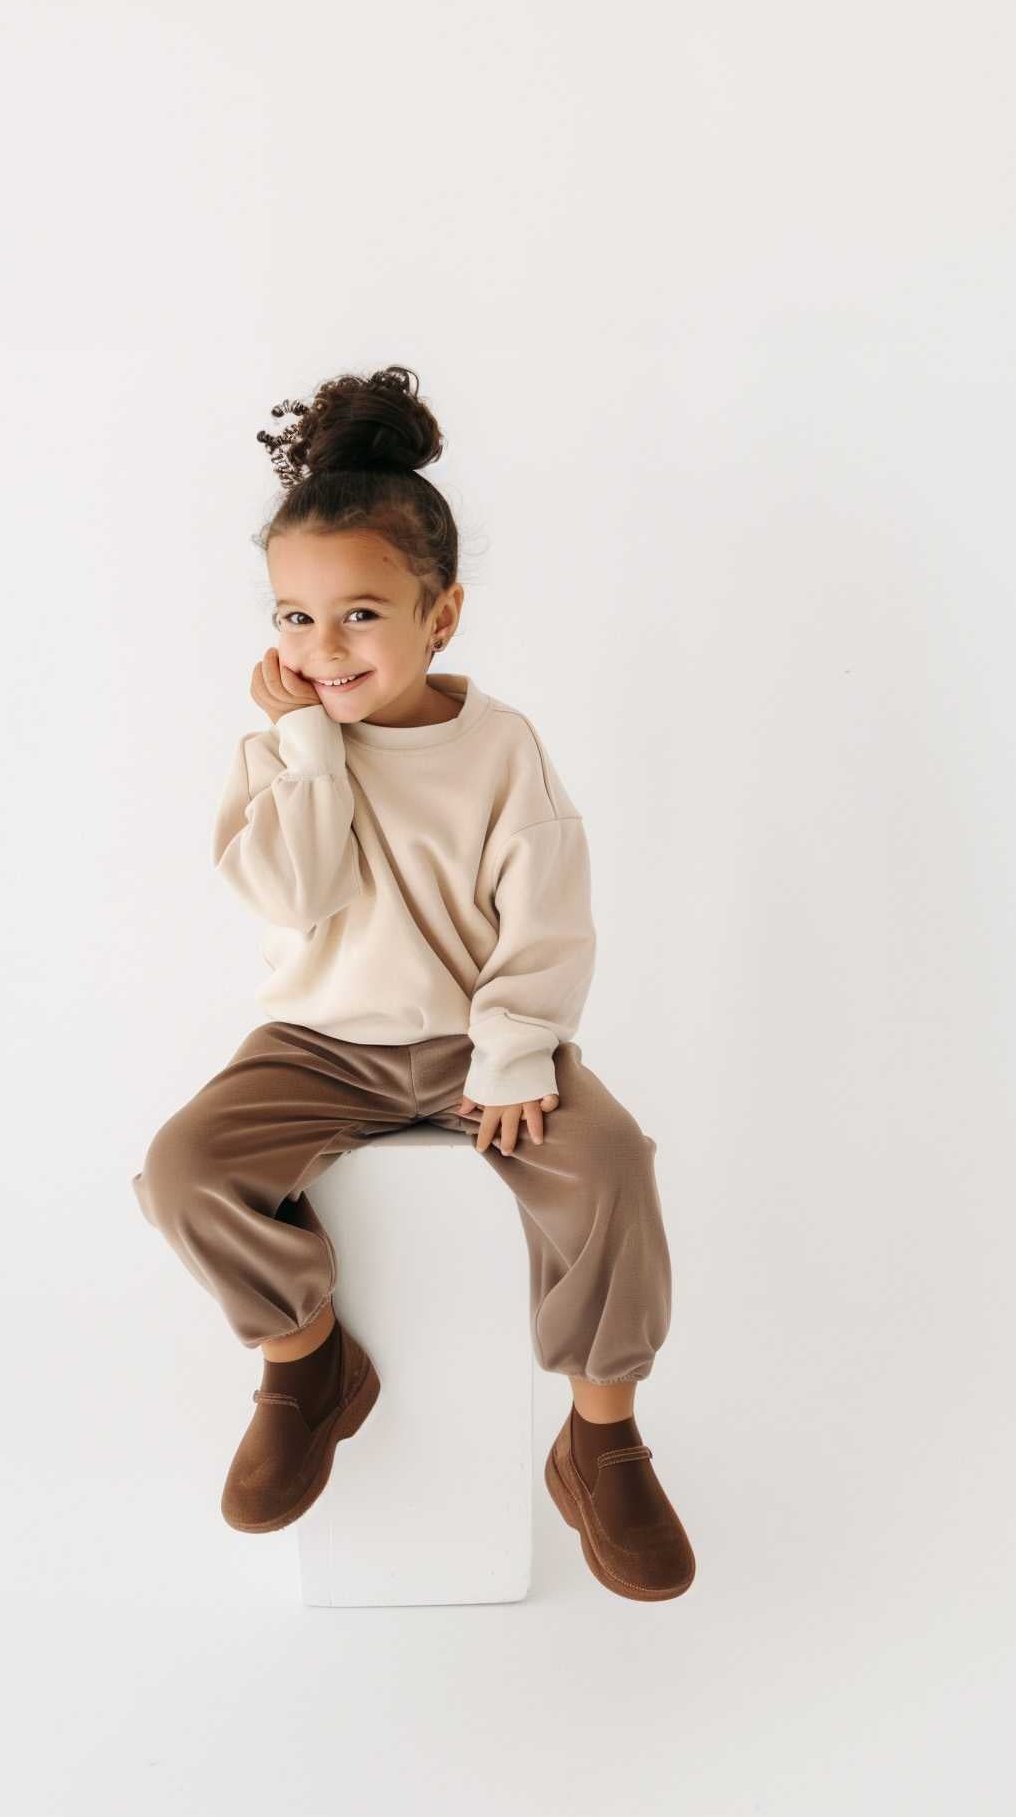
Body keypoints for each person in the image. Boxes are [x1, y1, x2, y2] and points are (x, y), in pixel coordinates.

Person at [132, 364, 693, 1601]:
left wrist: (517, 1047)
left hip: (475, 1046)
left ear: (442, 616)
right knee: (184, 1169)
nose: (323, 647)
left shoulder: (500, 748)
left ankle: (602, 1437)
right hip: (316, 1046)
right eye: (293, 616)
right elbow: (297, 894)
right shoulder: (281, 750)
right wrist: (306, 746)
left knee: (613, 1165)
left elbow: (547, 910)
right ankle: (307, 1359)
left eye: (360, 614)